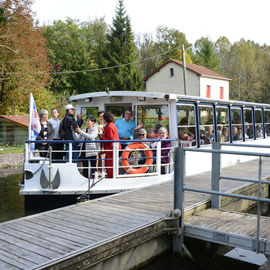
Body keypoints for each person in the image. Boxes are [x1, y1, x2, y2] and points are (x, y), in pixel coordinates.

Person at [100, 112, 121, 178]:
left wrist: (101, 137)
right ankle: (116, 176)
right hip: (113, 148)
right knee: (113, 165)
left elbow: (110, 139)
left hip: (111, 149)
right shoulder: (112, 125)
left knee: (110, 165)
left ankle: (112, 177)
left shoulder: (109, 126)